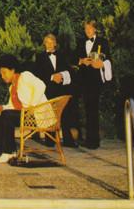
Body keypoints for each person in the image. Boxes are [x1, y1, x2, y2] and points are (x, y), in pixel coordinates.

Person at [0, 54, 54, 163]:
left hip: (39, 115)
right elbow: (13, 107)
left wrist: (32, 106)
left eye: (4, 72)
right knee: (1, 115)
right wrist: (2, 107)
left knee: (6, 116)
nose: (2, 76)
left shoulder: (25, 76)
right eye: (1, 74)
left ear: (12, 70)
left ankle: (8, 152)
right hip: (26, 115)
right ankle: (5, 152)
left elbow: (41, 85)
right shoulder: (12, 87)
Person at [33, 33, 78, 147]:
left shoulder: (62, 55)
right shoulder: (40, 57)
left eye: (51, 42)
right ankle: (50, 140)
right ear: (44, 44)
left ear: (55, 43)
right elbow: (38, 74)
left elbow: (69, 70)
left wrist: (61, 75)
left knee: (65, 113)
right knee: (50, 114)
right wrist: (52, 77)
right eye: (46, 42)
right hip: (48, 90)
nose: (49, 44)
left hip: (61, 89)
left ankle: (68, 140)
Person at [75, 20, 112, 149]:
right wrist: (81, 61)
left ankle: (94, 141)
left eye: (90, 29)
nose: (87, 31)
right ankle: (88, 139)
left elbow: (107, 59)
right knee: (86, 109)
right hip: (84, 80)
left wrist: (101, 64)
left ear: (95, 29)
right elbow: (74, 57)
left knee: (93, 109)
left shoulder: (103, 42)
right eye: (86, 29)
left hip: (95, 80)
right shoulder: (80, 42)